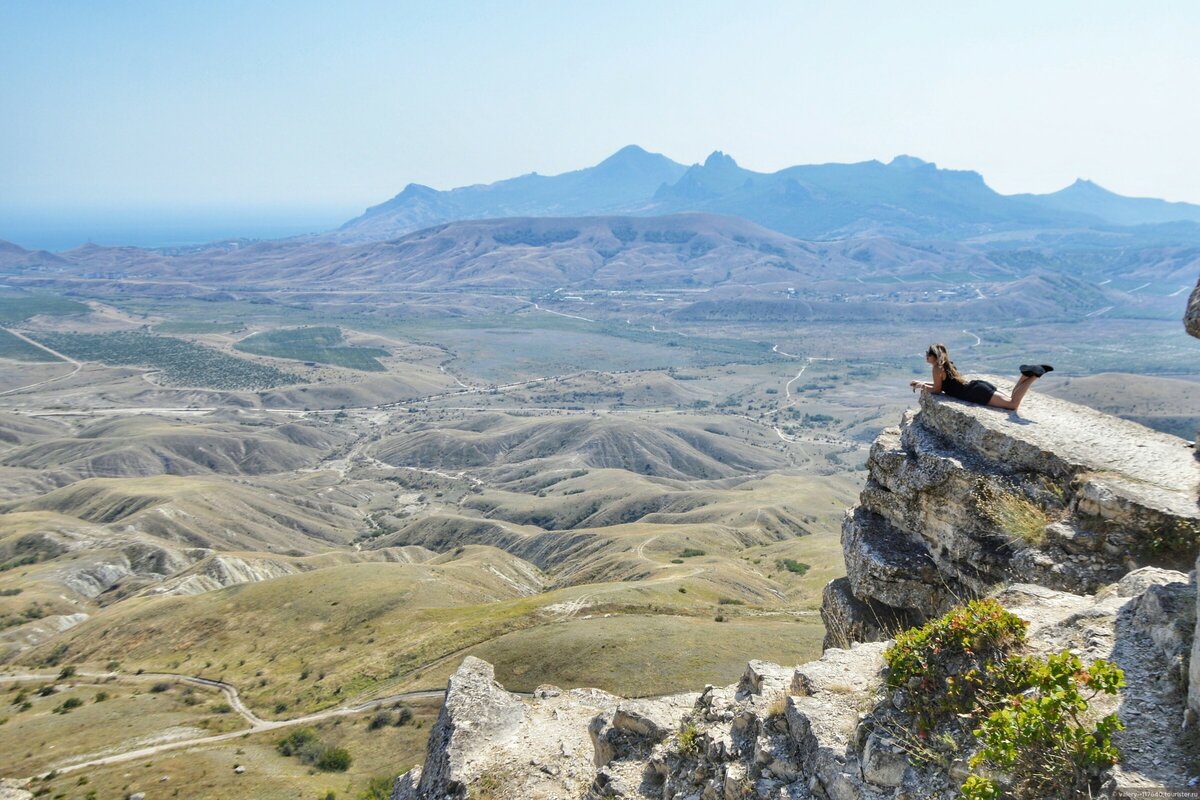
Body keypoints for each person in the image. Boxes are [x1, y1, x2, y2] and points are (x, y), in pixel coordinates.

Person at [909, 343, 1052, 412]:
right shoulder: (947, 364)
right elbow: (941, 384)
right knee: (1011, 398)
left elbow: (937, 390)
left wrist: (921, 386)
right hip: (978, 386)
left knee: (1012, 404)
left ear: (933, 356)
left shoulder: (936, 368)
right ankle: (1025, 374)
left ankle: (1033, 376)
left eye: (927, 353)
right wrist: (922, 382)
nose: (925, 356)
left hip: (975, 393)